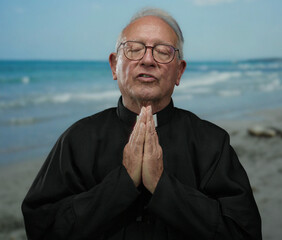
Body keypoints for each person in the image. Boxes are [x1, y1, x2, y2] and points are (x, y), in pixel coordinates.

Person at [22, 8, 262, 240]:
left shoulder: (212, 143)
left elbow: (244, 232)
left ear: (179, 71)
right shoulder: (77, 139)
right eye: (134, 49)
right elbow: (41, 228)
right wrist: (122, 183)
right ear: (114, 65)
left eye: (163, 51)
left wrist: (162, 185)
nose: (148, 60)